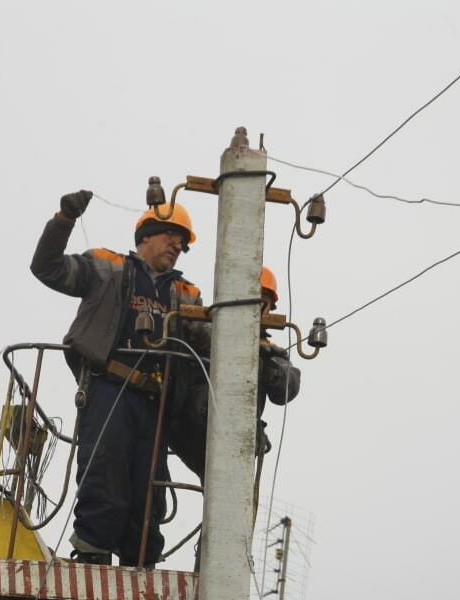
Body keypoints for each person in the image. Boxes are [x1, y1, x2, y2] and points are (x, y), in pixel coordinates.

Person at [29, 189, 207, 568]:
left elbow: (213, 343)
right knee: (104, 474)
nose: (177, 245)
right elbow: (48, 268)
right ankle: (92, 556)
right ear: (146, 236)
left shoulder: (185, 294)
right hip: (110, 388)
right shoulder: (107, 267)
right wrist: (64, 219)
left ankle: (139, 566)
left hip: (156, 402)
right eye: (171, 235)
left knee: (148, 492)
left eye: (182, 242)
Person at [167, 266, 301, 482]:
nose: (255, 308)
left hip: (237, 434)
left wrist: (267, 367)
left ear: (270, 308)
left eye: (262, 302)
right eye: (251, 300)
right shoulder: (209, 331)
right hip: (191, 424)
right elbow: (197, 336)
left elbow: (288, 388)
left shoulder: (271, 353)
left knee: (224, 494)